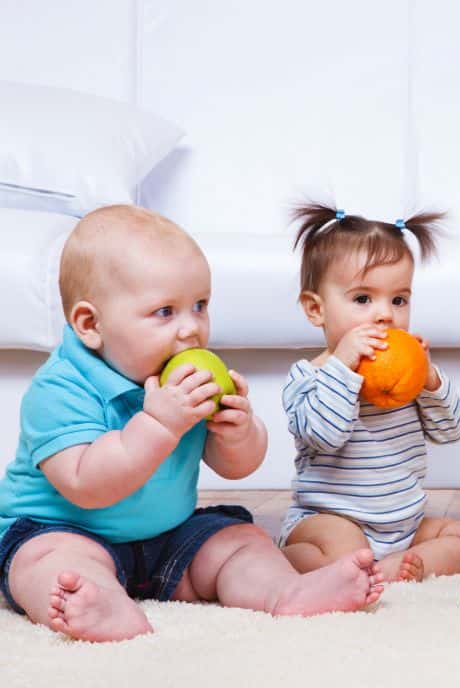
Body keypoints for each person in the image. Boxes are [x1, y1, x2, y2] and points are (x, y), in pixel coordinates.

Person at [0, 205, 384, 643]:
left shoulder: (182, 380)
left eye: (199, 306)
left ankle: (287, 591)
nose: (191, 331)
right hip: (68, 531)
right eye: (165, 312)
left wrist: (239, 432)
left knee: (239, 540)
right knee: (45, 564)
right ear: (90, 324)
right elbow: (87, 485)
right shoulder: (59, 389)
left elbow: (237, 467)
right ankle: (99, 604)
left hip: (168, 536)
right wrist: (158, 425)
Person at [277, 203, 460, 582]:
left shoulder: (406, 374)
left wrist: (429, 380)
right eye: (363, 299)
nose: (385, 315)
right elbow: (325, 436)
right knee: (344, 548)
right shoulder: (309, 377)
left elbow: (452, 430)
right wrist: (344, 366)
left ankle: (407, 566)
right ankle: (289, 560)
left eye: (399, 299)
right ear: (316, 309)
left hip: (404, 527)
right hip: (331, 523)